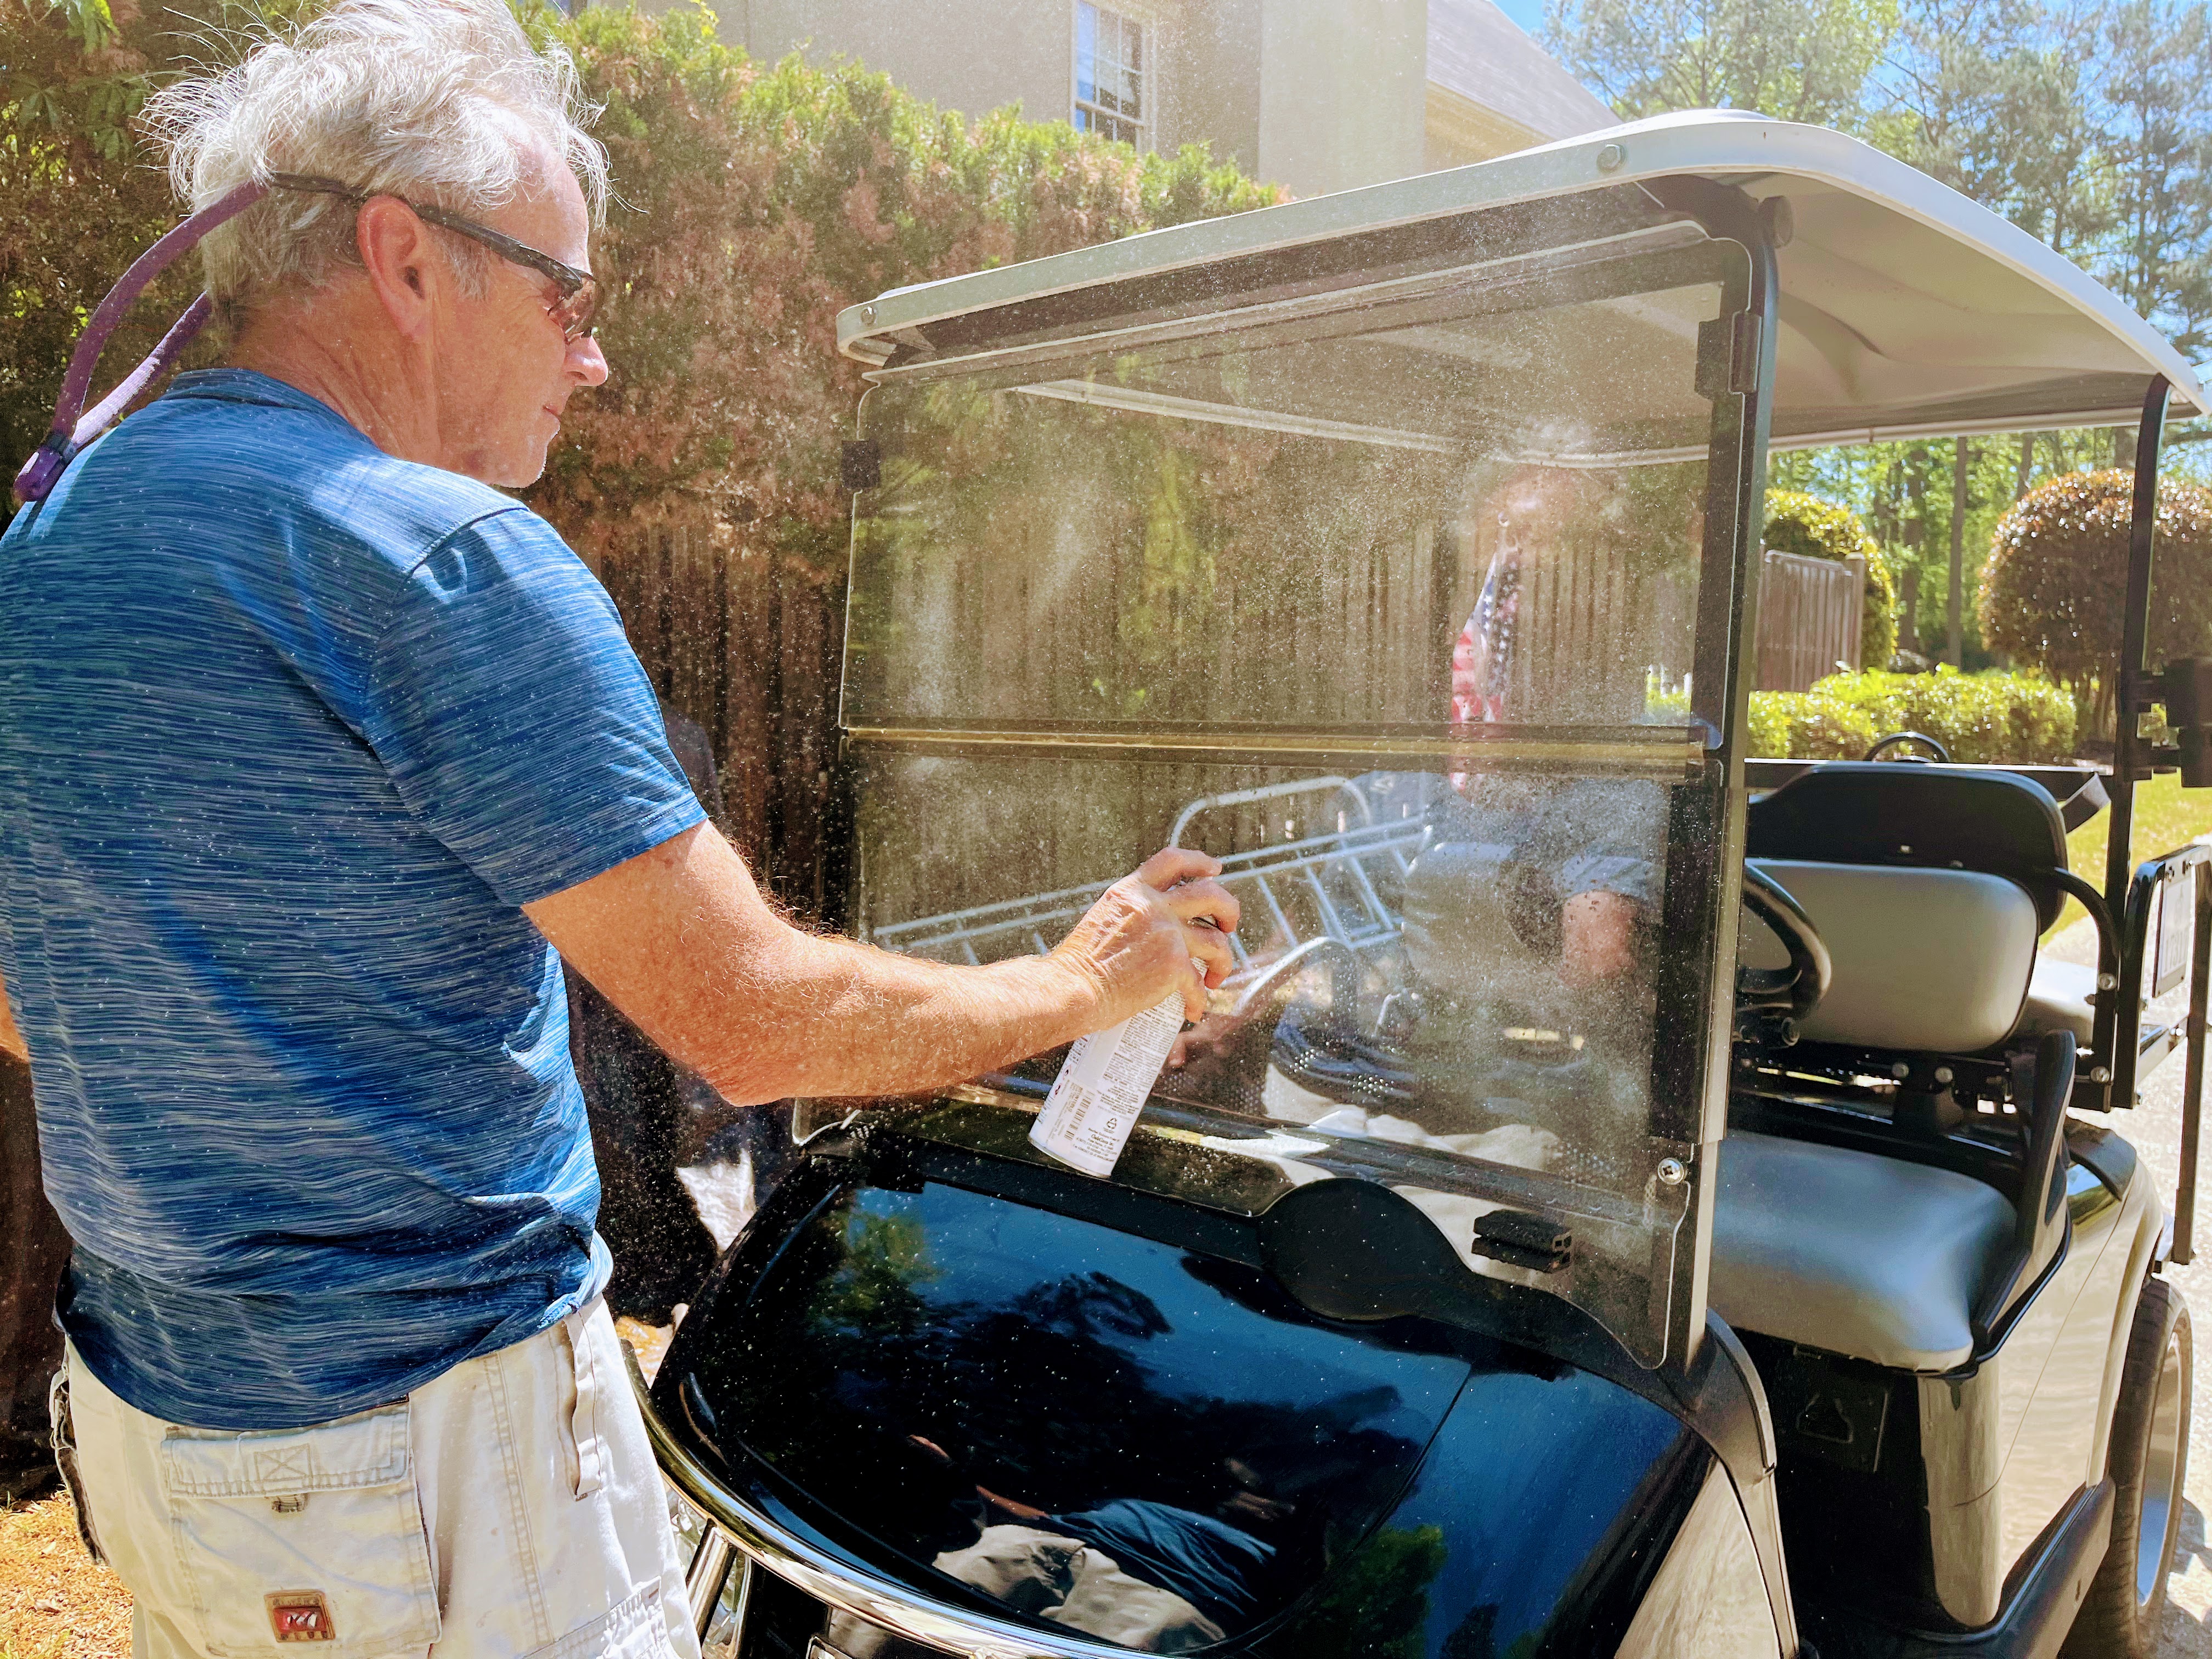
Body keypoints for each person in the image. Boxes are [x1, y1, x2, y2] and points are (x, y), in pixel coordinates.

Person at [0, 5, 1237, 1657]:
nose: (595, 357)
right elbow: (747, 1023)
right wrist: (1090, 980)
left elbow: (20, 1005)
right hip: (422, 1467)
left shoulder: (51, 543)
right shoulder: (433, 555)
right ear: (405, 258)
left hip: (163, 1435)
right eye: (565, 293)